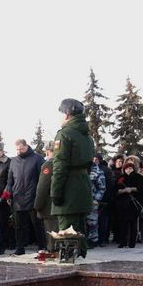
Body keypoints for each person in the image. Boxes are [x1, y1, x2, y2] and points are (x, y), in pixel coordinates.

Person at [50, 98, 95, 256]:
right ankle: (82, 257)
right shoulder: (87, 137)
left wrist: (55, 192)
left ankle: (68, 261)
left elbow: (59, 166)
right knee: (80, 229)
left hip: (68, 189)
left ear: (67, 114)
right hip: (83, 187)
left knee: (67, 232)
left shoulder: (64, 134)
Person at [6, 138, 44, 255]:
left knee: (37, 224)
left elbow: (42, 179)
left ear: (26, 146)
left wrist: (40, 195)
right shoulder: (13, 161)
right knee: (18, 226)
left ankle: (42, 247)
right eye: (17, 150)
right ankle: (20, 248)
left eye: (21, 149)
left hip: (33, 196)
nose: (19, 151)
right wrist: (8, 194)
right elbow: (10, 180)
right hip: (17, 197)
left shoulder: (37, 159)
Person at [115, 156, 143, 248]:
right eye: (127, 168)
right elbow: (116, 190)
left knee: (133, 224)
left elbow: (141, 188)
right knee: (122, 224)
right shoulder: (121, 177)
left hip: (133, 205)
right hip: (122, 205)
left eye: (130, 168)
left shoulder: (138, 177)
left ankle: (132, 242)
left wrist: (132, 189)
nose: (128, 170)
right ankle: (123, 241)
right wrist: (124, 190)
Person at [86, 155, 106, 248]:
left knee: (92, 222)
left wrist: (97, 199)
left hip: (92, 200)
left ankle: (93, 240)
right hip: (80, 200)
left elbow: (102, 187)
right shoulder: (79, 169)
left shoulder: (97, 171)